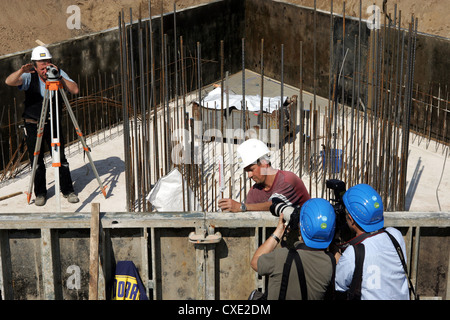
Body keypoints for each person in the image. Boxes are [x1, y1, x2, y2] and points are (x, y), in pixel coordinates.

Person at [5, 46, 79, 206]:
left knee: (60, 158)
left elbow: (75, 89)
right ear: (34, 64)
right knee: (36, 160)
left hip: (54, 123)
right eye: (41, 63)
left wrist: (59, 77)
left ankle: (67, 190)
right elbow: (9, 81)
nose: (45, 66)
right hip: (33, 125)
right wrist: (21, 71)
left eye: (47, 61)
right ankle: (40, 193)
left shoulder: (58, 73)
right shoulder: (28, 76)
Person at [334, 184, 410, 300]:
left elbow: (341, 286)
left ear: (351, 219)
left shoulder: (352, 254)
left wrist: (335, 254)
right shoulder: (395, 235)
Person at [250, 198, 336, 300]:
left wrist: (278, 233)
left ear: (300, 228)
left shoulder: (281, 257)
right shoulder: (331, 262)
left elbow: (255, 262)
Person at [218, 138, 310, 212]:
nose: (249, 175)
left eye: (251, 170)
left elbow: (274, 204)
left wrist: (242, 207)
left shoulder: (288, 180)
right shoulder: (254, 192)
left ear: (264, 163)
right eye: (247, 172)